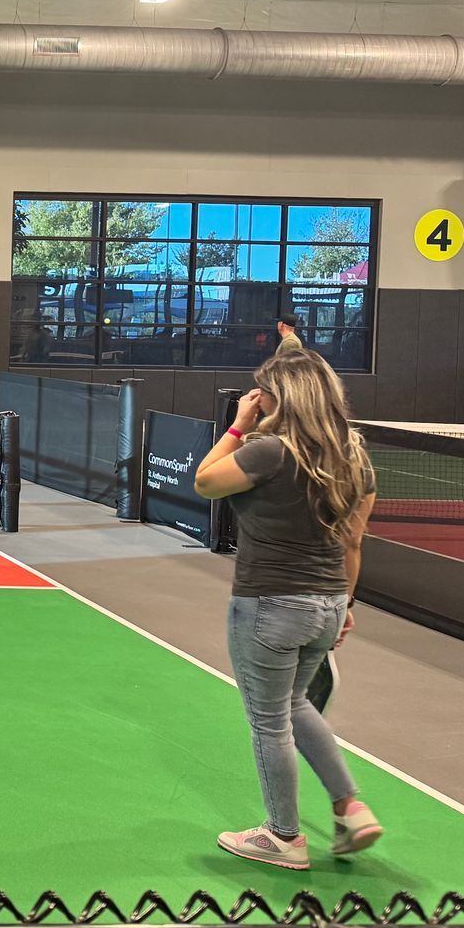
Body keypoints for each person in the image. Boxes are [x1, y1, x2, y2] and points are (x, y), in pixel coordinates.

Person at [193, 348, 382, 870]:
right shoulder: (355, 460)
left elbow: (205, 481)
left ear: (277, 399)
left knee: (270, 722)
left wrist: (237, 425)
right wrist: (344, 604)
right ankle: (351, 806)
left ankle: (283, 836)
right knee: (296, 705)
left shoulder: (269, 452)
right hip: (325, 606)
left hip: (269, 606)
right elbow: (353, 543)